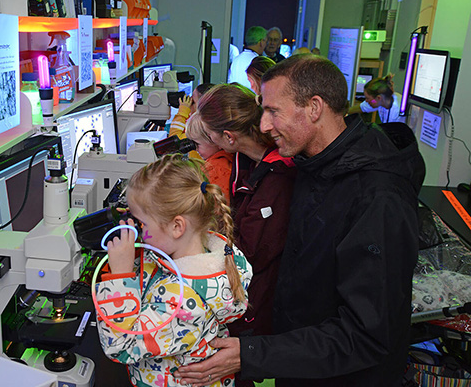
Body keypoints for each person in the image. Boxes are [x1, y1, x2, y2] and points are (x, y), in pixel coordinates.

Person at [175, 54, 425, 387]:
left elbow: (368, 335)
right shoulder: (314, 163)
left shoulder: (377, 198)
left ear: (314, 108)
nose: (263, 125)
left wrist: (250, 355)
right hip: (302, 364)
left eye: (273, 111)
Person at [95, 154, 253, 387]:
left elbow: (120, 347)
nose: (136, 228)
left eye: (141, 223)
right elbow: (156, 271)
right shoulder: (204, 256)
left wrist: (120, 276)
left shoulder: (183, 301)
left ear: (177, 226)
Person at [197, 84, 296, 386]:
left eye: (209, 135)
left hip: (258, 297)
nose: (208, 141)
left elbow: (249, 254)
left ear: (228, 138)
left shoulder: (276, 179)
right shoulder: (249, 161)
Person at [185, 112, 233, 201]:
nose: (195, 150)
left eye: (197, 144)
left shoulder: (216, 169)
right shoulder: (231, 158)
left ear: (215, 140)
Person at [169, 83, 215, 159]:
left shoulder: (201, 128)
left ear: (204, 106)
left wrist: (182, 112)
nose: (189, 104)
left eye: (192, 102)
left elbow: (174, 143)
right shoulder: (211, 122)